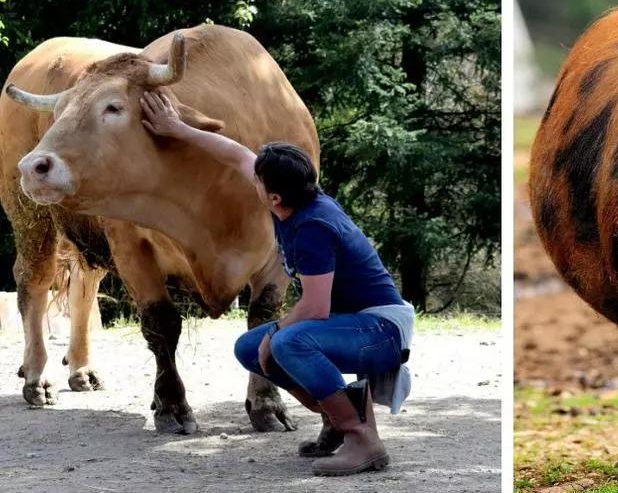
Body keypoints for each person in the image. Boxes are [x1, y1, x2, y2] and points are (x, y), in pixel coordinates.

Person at [140, 91, 414, 476]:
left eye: (257, 179)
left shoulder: (313, 227)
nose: (249, 178)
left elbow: (315, 308)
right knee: (249, 348)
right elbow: (235, 154)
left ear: (273, 196)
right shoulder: (293, 201)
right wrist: (178, 129)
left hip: (380, 330)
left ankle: (363, 440)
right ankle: (337, 422)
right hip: (351, 325)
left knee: (285, 342)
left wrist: (275, 336)